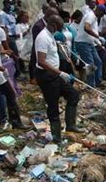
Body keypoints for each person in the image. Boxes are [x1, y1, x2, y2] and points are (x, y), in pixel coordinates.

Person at [35, 15, 82, 143]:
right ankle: (56, 136)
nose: (60, 31)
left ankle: (70, 125)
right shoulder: (43, 38)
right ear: (54, 25)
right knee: (53, 104)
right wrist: (60, 73)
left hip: (55, 74)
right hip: (47, 75)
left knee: (73, 95)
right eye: (59, 28)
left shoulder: (51, 36)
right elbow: (42, 61)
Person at [75, 5, 106, 87]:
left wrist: (98, 41)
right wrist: (98, 37)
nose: (102, 15)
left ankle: (98, 82)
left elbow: (91, 33)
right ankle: (91, 85)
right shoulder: (90, 16)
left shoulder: (95, 18)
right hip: (82, 43)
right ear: (99, 10)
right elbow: (86, 28)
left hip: (90, 43)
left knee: (98, 62)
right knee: (90, 65)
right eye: (102, 13)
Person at [29, 7, 59, 83]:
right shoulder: (38, 26)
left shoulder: (49, 25)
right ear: (48, 16)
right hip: (40, 49)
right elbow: (38, 43)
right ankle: (33, 78)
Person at [0, 0, 23, 76]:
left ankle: (19, 69)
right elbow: (3, 27)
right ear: (5, 4)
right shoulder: (2, 15)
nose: (11, 6)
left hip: (15, 36)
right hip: (9, 37)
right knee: (13, 54)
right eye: (10, 4)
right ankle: (16, 73)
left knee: (17, 53)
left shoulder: (11, 13)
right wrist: (6, 39)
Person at [54, 11, 77, 76]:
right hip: (61, 57)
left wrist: (74, 55)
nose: (69, 19)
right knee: (64, 74)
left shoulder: (68, 28)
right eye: (67, 18)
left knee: (71, 75)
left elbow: (73, 39)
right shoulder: (56, 32)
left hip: (69, 54)